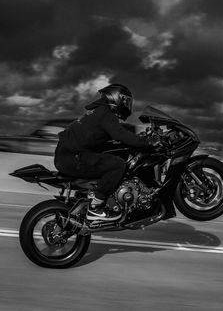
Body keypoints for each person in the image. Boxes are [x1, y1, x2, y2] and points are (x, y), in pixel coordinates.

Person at [54, 83, 156, 221]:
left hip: (69, 155)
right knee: (117, 165)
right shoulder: (105, 113)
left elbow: (114, 134)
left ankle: (93, 198)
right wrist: (148, 142)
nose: (127, 105)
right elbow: (121, 134)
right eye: (125, 100)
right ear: (115, 97)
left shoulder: (100, 111)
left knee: (113, 156)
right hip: (72, 158)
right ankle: (95, 206)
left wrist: (139, 137)